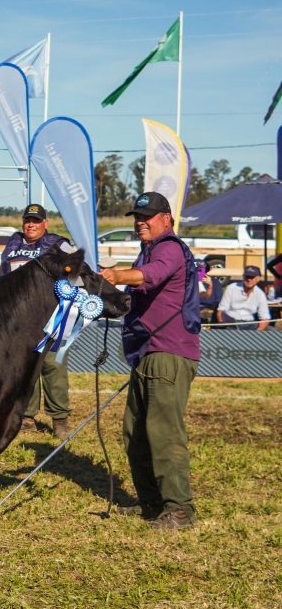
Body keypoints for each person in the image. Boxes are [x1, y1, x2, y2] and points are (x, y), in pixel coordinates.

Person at [100, 191, 200, 530]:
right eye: (137, 217)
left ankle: (179, 509)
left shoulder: (169, 248)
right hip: (148, 352)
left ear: (166, 219)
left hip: (167, 354)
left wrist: (117, 275)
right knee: (135, 430)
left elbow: (151, 276)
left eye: (148, 216)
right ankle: (153, 503)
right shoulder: (149, 250)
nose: (140, 221)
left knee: (163, 432)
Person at [0, 203, 72, 438]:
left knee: (53, 365)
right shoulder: (14, 244)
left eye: (36, 221)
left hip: (51, 316)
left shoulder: (59, 244)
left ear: (45, 224)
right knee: (24, 367)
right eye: (27, 220)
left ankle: (59, 418)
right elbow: (3, 277)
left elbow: (75, 275)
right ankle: (27, 416)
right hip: (20, 319)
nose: (31, 224)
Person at [217, 266, 270, 331]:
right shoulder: (231, 288)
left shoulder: (260, 294)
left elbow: (265, 317)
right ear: (243, 277)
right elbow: (221, 311)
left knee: (273, 332)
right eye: (247, 277)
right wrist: (222, 322)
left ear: (258, 279)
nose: (249, 279)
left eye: (252, 277)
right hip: (232, 322)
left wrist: (257, 333)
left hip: (250, 324)